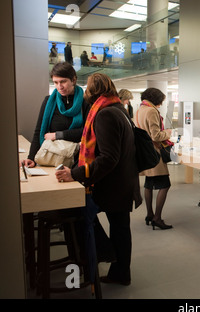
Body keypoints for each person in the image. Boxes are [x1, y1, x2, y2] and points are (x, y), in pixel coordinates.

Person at [56, 73, 142, 286]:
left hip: (114, 185)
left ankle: (110, 260)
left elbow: (108, 158)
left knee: (84, 214)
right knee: (120, 227)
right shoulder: (118, 109)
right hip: (123, 181)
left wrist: (74, 173)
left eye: (87, 90)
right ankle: (120, 271)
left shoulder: (104, 115)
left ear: (92, 92)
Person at [22, 62, 90, 169]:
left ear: (73, 80)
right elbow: (39, 131)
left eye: (63, 82)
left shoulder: (86, 102)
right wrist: (31, 157)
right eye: (55, 82)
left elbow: (87, 132)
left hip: (77, 161)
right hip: (53, 159)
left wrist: (58, 135)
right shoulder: (49, 101)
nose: (59, 87)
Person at [136, 88, 173, 230]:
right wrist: (168, 133)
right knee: (165, 184)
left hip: (144, 152)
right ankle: (157, 218)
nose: (161, 104)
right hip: (154, 152)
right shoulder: (151, 111)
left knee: (149, 183)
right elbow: (156, 136)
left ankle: (150, 214)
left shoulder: (139, 110)